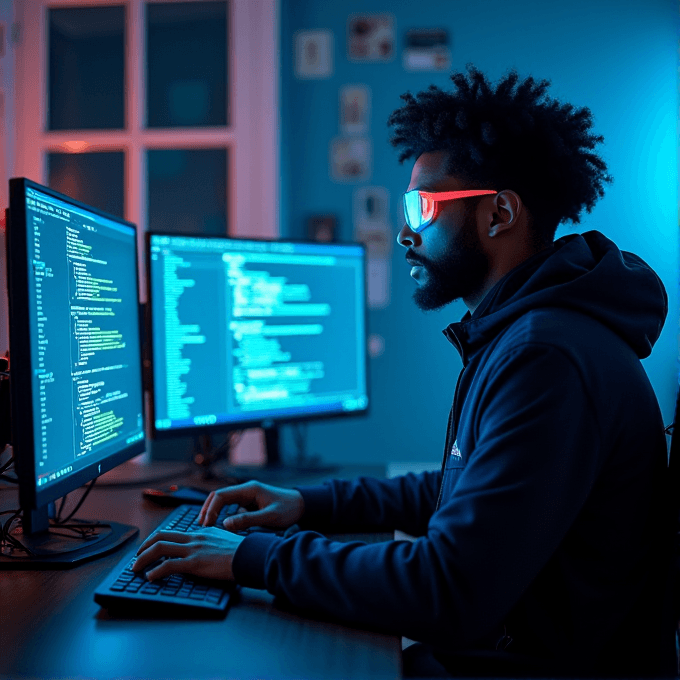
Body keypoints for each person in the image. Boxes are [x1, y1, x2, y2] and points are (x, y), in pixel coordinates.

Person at [132, 65, 676, 677]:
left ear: (499, 214)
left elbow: (449, 591)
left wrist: (251, 558)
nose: (404, 231)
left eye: (421, 206)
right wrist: (306, 504)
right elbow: (463, 492)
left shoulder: (546, 356)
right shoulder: (530, 333)